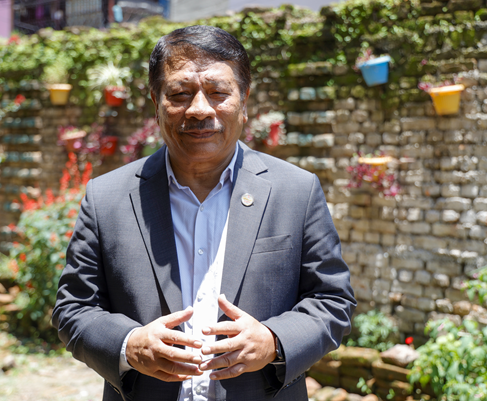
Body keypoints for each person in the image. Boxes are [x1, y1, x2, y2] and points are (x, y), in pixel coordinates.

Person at [52, 25, 356, 401]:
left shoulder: (296, 191)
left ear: (244, 100)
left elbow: (333, 300)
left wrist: (274, 341)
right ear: (155, 101)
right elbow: (73, 308)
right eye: (180, 94)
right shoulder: (107, 198)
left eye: (218, 93)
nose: (199, 109)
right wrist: (128, 345)